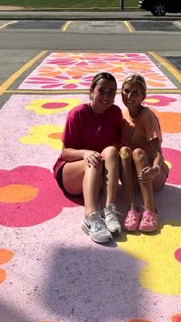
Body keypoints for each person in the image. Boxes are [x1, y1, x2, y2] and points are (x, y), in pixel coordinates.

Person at [53, 72, 123, 244]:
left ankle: (109, 209)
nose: (106, 96)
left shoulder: (115, 113)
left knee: (111, 151)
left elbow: (116, 147)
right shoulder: (78, 113)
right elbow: (65, 153)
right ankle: (90, 216)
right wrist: (85, 153)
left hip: (96, 175)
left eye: (111, 92)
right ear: (92, 91)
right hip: (71, 174)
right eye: (102, 90)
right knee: (94, 160)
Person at [119, 74, 169, 233]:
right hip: (134, 178)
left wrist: (155, 168)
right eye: (126, 91)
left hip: (152, 174)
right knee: (124, 151)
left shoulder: (147, 115)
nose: (129, 96)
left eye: (135, 93)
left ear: (143, 96)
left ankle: (150, 210)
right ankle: (132, 208)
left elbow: (157, 153)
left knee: (139, 152)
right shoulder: (122, 115)